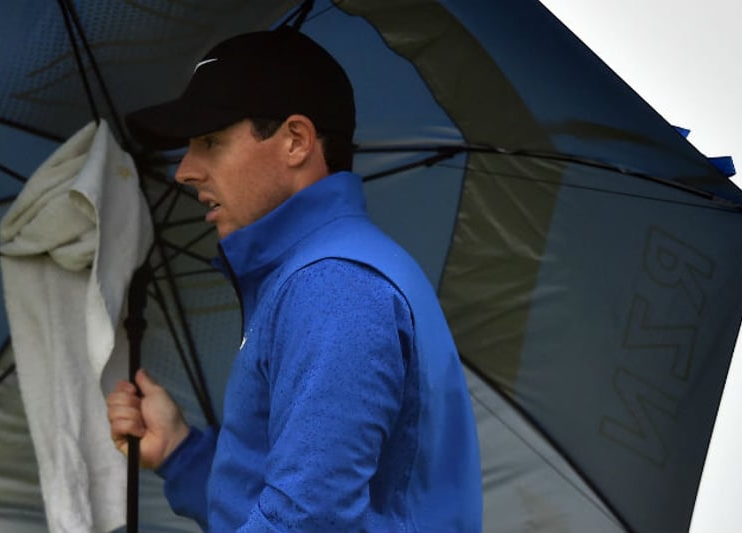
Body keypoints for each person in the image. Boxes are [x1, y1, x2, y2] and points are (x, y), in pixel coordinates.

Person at [107, 27, 483, 532]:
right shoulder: (320, 274)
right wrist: (179, 452)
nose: (186, 170)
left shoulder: (333, 285)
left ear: (295, 141)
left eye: (211, 141)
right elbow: (289, 500)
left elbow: (306, 522)